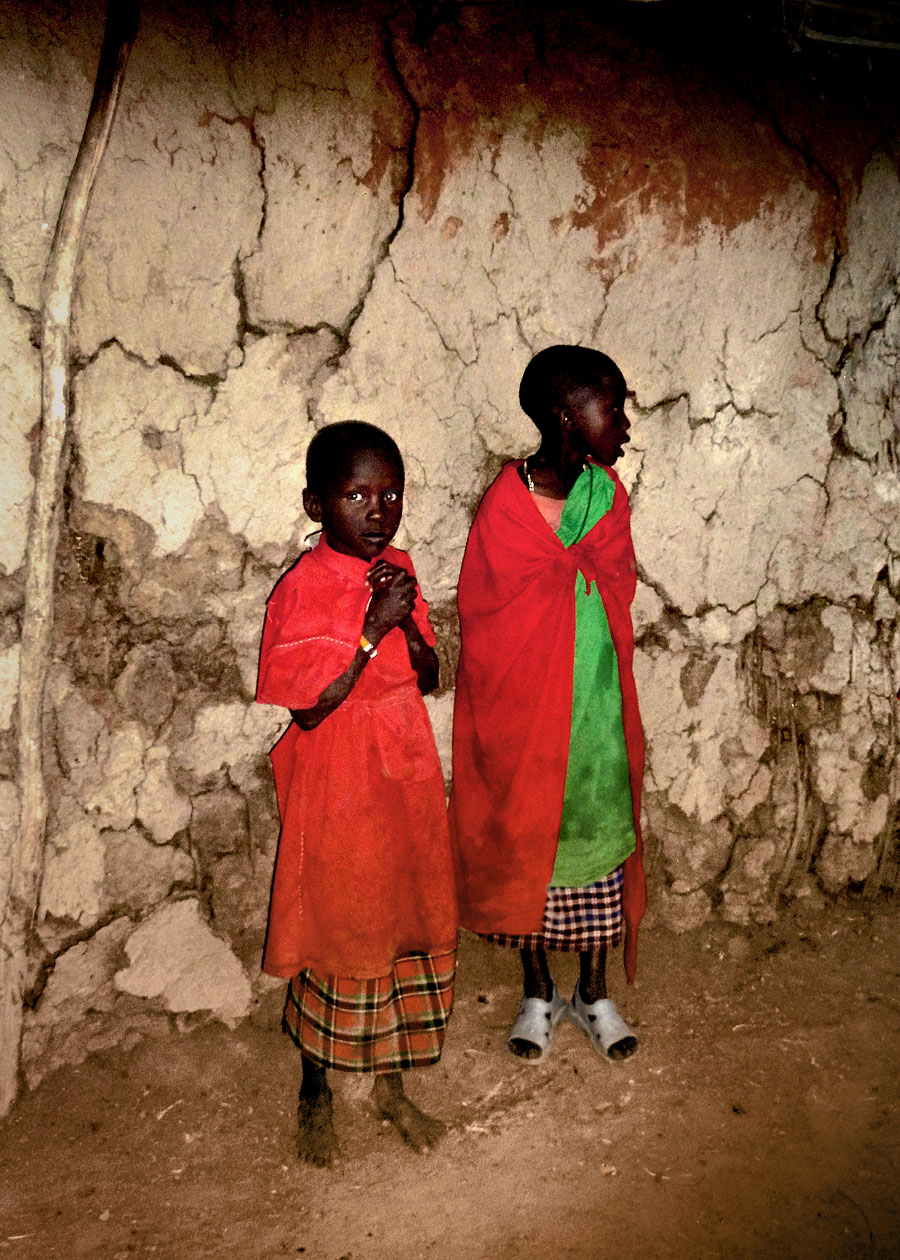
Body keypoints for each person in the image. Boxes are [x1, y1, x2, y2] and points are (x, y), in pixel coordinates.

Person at [256, 421, 458, 1165]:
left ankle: (392, 1087)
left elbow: (432, 675)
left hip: (402, 765)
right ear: (316, 505)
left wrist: (405, 624)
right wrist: (371, 631)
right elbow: (309, 706)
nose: (379, 510)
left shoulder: (397, 568)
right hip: (340, 776)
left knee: (408, 912)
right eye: (357, 494)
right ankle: (316, 1086)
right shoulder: (303, 589)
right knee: (343, 920)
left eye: (392, 493)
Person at [449, 345, 646, 1063]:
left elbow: (615, 585)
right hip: (523, 717)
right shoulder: (506, 507)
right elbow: (485, 613)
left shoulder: (606, 499)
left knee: (595, 839)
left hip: (593, 712)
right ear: (567, 417)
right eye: (613, 407)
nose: (624, 423)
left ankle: (592, 993)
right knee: (526, 841)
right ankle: (538, 989)